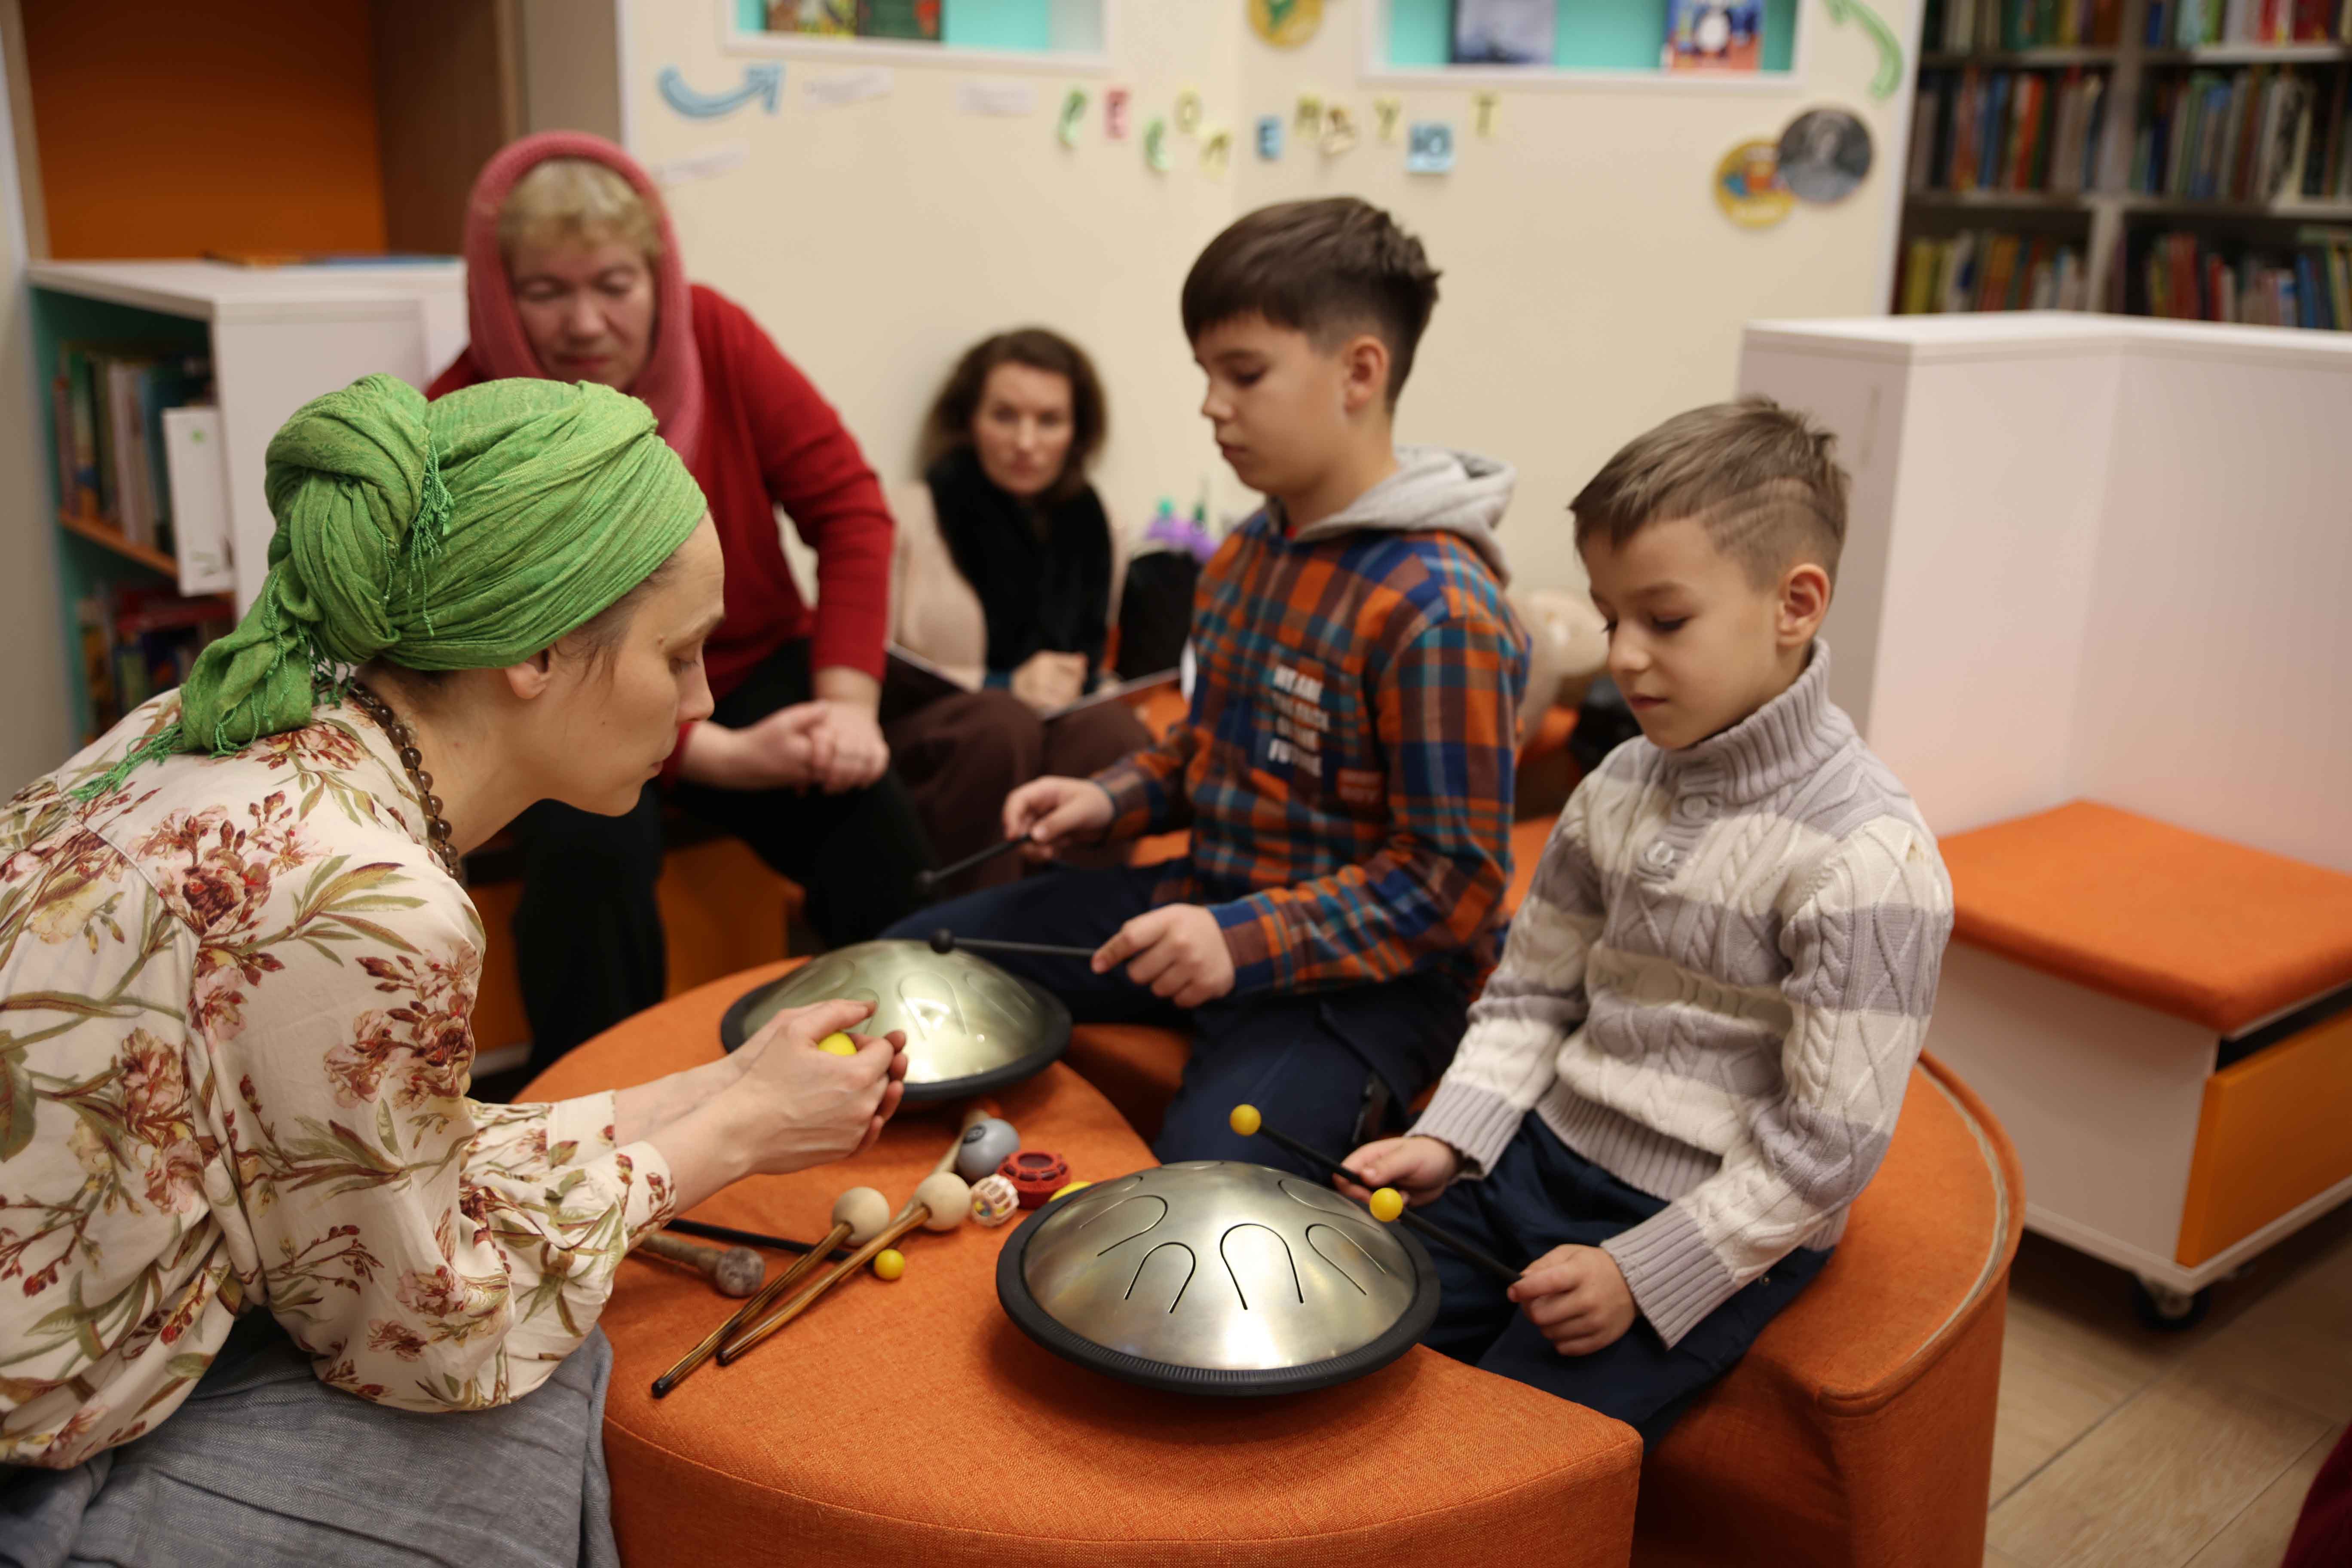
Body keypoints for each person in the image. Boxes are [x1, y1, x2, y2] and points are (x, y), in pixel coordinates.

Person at [0, 375, 908, 1564]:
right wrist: (734, 1138)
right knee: (536, 1415)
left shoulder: (223, 717)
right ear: (536, 651)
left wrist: (722, 1089)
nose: (702, 700)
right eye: (680, 653)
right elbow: (425, 1336)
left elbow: (364, 1154)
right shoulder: (368, 898)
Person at [1338, 399, 1955, 1448]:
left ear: (1796, 604)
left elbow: (1825, 1154)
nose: (1623, 657)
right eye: (1608, 617)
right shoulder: (1617, 783)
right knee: (1346, 1336)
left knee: (1499, 1457)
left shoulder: (1868, 858)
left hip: (1704, 1220)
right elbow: (1530, 998)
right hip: (1539, 1157)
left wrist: (1642, 1273)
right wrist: (1451, 1137)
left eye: (1664, 622)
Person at [892, 198, 1528, 1172]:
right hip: (1210, 898)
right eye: (1205, 374)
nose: (1210, 405)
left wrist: (1241, 940)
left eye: (1244, 374)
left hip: (1364, 984)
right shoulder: (1245, 553)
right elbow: (1210, 748)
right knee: (907, 968)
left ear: (1360, 372)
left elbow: (1453, 883)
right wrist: (1108, 800)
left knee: (1207, 1204)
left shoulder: (1439, 606)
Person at [428, 131, 931, 1074]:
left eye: (614, 284)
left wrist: (847, 707)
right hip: (572, 701)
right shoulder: (461, 417)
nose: (585, 322)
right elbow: (496, 659)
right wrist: (717, 756)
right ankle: (590, 1102)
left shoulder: (719, 336)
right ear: (498, 294)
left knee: (871, 817)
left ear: (659, 278)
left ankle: (911, 1059)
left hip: (748, 664)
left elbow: (852, 512)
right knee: (587, 865)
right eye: (546, 291)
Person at [882, 328, 1152, 894]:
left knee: (1115, 730)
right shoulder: (907, 514)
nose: (1026, 442)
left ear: (1077, 432)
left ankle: (1080, 926)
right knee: (1001, 722)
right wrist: (1003, 684)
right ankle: (967, 924)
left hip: (1054, 730)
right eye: (1005, 417)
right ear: (969, 420)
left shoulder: (1099, 525)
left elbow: (1096, 658)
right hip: (940, 736)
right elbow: (877, 668)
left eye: (1049, 421)